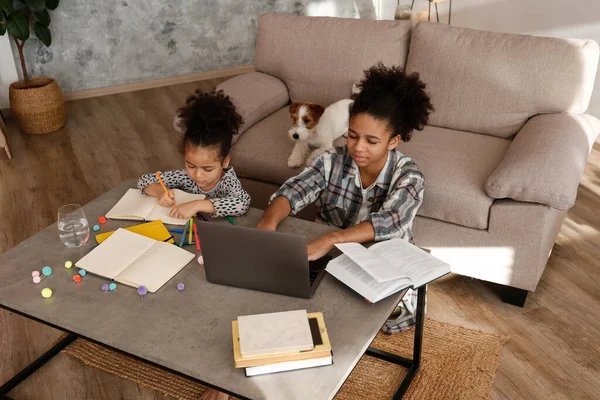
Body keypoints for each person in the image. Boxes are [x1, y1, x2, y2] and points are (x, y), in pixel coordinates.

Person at [257, 62, 433, 333]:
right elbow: (293, 192)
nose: (358, 148)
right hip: (331, 257)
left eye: (371, 141)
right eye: (351, 136)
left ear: (394, 141)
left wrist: (330, 239)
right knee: (285, 297)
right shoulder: (331, 160)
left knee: (372, 318)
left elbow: (387, 224)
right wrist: (268, 222)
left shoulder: (409, 178)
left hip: (381, 260)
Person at [137, 89, 251, 220]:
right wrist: (160, 192)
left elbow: (242, 203)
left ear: (225, 161)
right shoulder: (185, 177)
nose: (197, 175)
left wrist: (196, 205)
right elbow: (144, 180)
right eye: (190, 166)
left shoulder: (227, 181)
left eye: (208, 169)